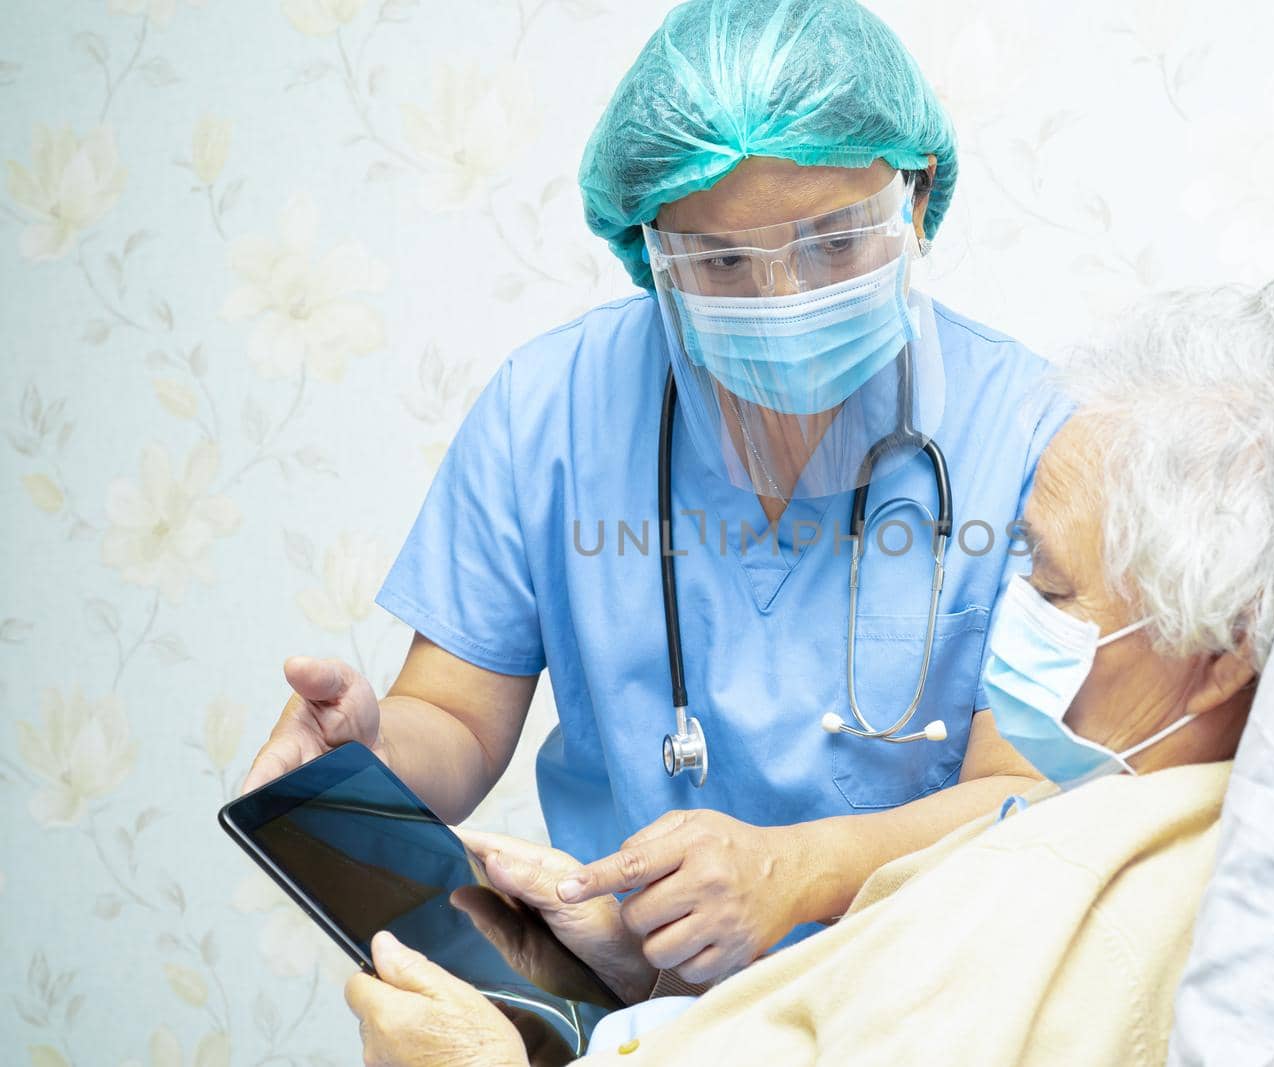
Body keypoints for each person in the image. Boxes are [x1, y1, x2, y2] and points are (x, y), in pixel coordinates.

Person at [342, 278, 1274, 1065]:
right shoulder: (1145, 835)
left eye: (1048, 589)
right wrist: (635, 973)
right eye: (719, 259)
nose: (1003, 621)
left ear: (1222, 656)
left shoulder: (1067, 899)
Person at [242, 0, 1070, 991]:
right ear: (649, 248)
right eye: (721, 261)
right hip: (629, 1006)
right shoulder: (551, 409)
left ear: (917, 192)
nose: (783, 301)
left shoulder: (1031, 435)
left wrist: (804, 868)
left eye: (837, 242)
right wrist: (370, 753)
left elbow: (1038, 791)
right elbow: (456, 722)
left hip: (915, 1004)